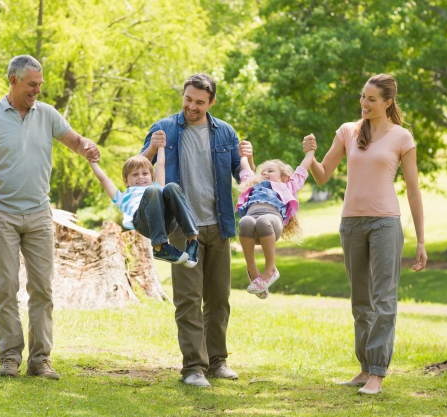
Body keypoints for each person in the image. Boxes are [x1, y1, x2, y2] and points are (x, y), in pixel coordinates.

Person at [0, 55, 100, 379]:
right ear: (13, 80)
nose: (37, 90)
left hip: (38, 214)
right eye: (32, 85)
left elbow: (75, 141)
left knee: (42, 289)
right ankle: (10, 358)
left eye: (40, 84)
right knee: (6, 287)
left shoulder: (48, 115)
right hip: (2, 214)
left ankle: (40, 360)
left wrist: (87, 147)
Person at [302, 73, 427, 395]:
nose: (364, 103)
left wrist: (422, 240)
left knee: (384, 298)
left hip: (386, 223)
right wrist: (310, 155)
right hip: (351, 224)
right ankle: (363, 369)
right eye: (362, 97)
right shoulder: (347, 131)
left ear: (388, 102)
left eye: (372, 99)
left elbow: (414, 191)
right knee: (361, 301)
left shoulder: (402, 137)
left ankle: (377, 373)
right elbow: (322, 176)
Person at [140, 73, 244, 387]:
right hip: (181, 229)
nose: (192, 106)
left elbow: (242, 172)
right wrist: (150, 151)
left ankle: (218, 362)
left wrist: (256, 173)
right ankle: (193, 368)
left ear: (211, 102)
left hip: (219, 225)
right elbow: (138, 171)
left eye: (199, 102)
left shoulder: (225, 132)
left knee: (218, 299)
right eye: (188, 99)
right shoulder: (164, 128)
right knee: (188, 300)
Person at [89, 146, 199, 266]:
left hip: (167, 222)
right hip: (144, 224)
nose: (141, 177)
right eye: (135, 174)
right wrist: (92, 162)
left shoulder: (157, 185)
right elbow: (103, 179)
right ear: (126, 181)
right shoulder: (122, 197)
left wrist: (161, 146)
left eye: (145, 173)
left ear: (151, 177)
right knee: (153, 191)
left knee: (171, 187)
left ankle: (192, 240)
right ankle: (159, 247)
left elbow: (161, 164)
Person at [235, 149, 315, 298]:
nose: (265, 173)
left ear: (284, 178)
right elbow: (245, 169)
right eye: (263, 171)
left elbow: (302, 169)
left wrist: (310, 152)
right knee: (245, 221)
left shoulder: (288, 185)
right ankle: (253, 271)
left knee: (264, 220)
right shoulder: (252, 184)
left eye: (270, 171)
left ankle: (270, 269)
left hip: (271, 223)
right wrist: (244, 156)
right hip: (252, 226)